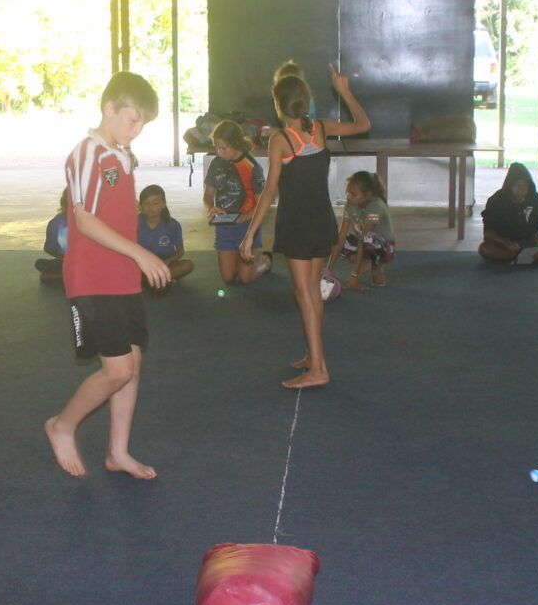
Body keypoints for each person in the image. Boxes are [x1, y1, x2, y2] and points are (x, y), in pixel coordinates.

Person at [44, 72, 169, 480]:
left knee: (131, 364)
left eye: (144, 124)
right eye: (132, 120)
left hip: (122, 275)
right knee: (117, 370)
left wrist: (133, 259)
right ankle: (62, 425)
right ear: (109, 109)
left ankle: (118, 452)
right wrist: (140, 252)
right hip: (91, 276)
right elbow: (84, 219)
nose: (138, 130)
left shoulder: (121, 154)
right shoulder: (87, 153)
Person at [242, 66, 370, 389]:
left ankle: (319, 369)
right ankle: (314, 358)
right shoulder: (321, 129)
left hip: (298, 225)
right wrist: (345, 91)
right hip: (321, 221)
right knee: (312, 293)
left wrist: (249, 233)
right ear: (306, 101)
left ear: (279, 105)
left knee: (305, 295)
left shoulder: (281, 141)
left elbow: (269, 192)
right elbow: (364, 124)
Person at [204, 120, 271, 285]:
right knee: (228, 277)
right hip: (224, 224)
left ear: (236, 144)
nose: (219, 152)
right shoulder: (216, 163)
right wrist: (212, 208)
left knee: (245, 278)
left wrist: (245, 217)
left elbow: (263, 202)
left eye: (223, 148)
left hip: (246, 225)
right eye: (216, 147)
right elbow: (208, 195)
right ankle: (236, 258)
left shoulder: (252, 167)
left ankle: (265, 262)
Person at [478, 162, 538, 266]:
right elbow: (488, 233)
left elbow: (537, 229)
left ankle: (522, 258)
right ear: (509, 186)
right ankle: (530, 258)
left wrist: (532, 247)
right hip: (504, 244)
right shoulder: (496, 200)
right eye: (517, 185)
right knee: (485, 249)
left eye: (525, 185)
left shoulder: (534, 199)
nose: (521, 189)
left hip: (527, 242)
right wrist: (507, 243)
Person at [333, 170, 395, 291]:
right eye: (348, 193)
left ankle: (374, 265)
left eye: (354, 194)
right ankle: (371, 264)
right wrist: (328, 271)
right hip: (366, 243)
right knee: (334, 239)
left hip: (384, 248)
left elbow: (364, 239)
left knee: (369, 240)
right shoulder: (351, 205)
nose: (349, 197)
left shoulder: (376, 206)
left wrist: (354, 275)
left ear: (367, 195)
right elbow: (340, 237)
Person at [137, 184, 193, 290]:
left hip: (165, 264)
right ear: (141, 206)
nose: (150, 207)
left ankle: (149, 280)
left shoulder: (173, 225)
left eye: (155, 203)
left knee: (188, 265)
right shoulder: (135, 222)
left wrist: (167, 261)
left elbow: (180, 251)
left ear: (163, 204)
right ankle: (158, 279)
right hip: (143, 264)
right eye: (146, 203)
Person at [36, 189, 69, 285]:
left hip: (72, 262)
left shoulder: (55, 222)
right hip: (82, 263)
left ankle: (62, 276)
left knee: (41, 264)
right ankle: (66, 276)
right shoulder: (93, 220)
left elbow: (49, 248)